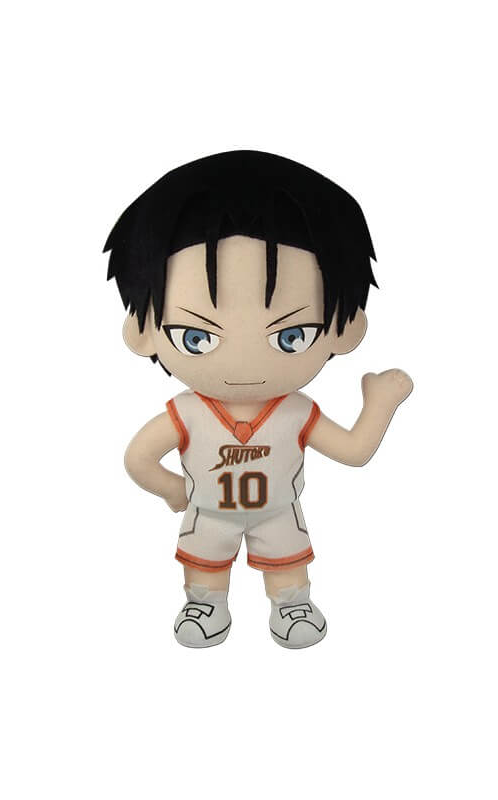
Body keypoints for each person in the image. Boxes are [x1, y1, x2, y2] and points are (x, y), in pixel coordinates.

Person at [105, 150, 413, 648]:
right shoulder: (189, 413)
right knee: (204, 566)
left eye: (292, 335)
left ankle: (291, 603)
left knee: (287, 565)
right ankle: (205, 602)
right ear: (142, 332)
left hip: (278, 512)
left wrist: (380, 404)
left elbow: (355, 452)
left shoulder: (295, 412)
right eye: (196, 337)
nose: (244, 362)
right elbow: (138, 460)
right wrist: (172, 490)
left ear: (346, 329)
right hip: (208, 513)